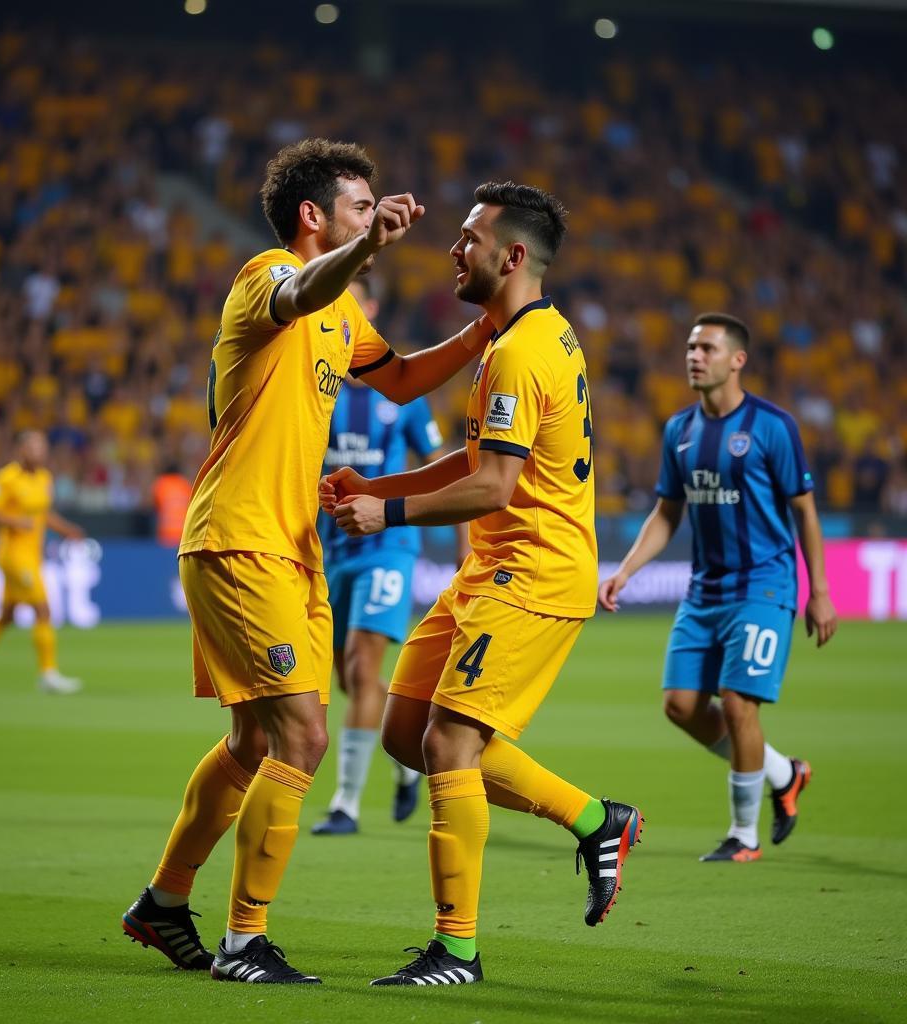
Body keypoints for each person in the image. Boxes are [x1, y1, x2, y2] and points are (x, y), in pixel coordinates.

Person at [121, 139, 499, 985]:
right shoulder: (264, 279)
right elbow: (303, 288)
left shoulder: (345, 315)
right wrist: (365, 249)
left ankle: (163, 903)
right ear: (314, 216)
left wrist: (485, 331)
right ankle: (242, 942)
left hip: (292, 548)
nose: (376, 219)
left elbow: (399, 380)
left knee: (255, 740)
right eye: (361, 208)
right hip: (238, 537)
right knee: (303, 732)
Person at [321, 182, 643, 987]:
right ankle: (597, 820)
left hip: (531, 572)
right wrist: (381, 489)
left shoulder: (523, 351)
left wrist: (385, 521)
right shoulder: (519, 338)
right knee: (406, 736)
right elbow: (474, 464)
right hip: (491, 567)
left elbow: (494, 489)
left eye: (470, 238)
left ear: (515, 255)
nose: (454, 251)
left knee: (448, 744)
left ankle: (456, 949)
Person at [598, 313, 837, 862]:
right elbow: (666, 512)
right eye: (690, 347)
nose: (694, 356)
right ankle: (785, 773)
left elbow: (805, 511)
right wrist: (626, 570)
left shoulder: (773, 427)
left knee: (736, 704)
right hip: (703, 592)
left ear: (737, 360)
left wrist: (818, 590)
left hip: (764, 585)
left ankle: (743, 835)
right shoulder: (678, 431)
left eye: (707, 348)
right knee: (680, 706)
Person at [313, 277, 452, 836]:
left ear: (369, 311)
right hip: (334, 552)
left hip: (390, 548)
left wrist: (464, 546)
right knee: (351, 678)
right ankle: (404, 758)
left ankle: (345, 803)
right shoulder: (316, 389)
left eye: (353, 301)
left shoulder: (403, 398)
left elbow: (447, 468)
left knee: (364, 667)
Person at [0, 430, 86, 695]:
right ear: (21, 450)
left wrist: (68, 530)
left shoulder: (45, 478)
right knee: (43, 609)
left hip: (32, 555)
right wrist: (14, 521)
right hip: (12, 555)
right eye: (34, 447)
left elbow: (42, 514)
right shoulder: (6, 477)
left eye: (42, 447)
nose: (40, 452)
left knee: (7, 616)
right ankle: (48, 673)